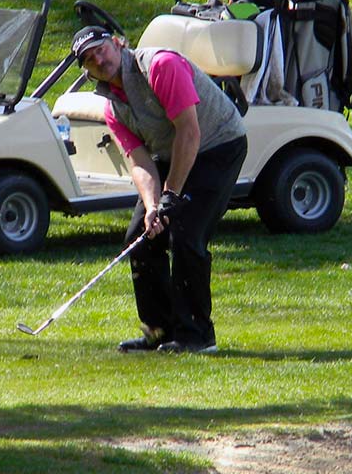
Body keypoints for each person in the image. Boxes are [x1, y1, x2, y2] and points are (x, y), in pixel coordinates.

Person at [71, 25, 247, 354]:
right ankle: (159, 330)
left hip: (217, 144)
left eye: (100, 49)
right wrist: (153, 206)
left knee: (185, 232)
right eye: (89, 59)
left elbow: (190, 133)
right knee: (141, 236)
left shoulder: (160, 66)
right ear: (87, 70)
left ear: (116, 43)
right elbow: (139, 161)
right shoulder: (111, 106)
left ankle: (196, 335)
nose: (98, 59)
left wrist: (172, 196)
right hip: (172, 152)